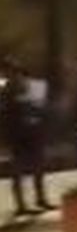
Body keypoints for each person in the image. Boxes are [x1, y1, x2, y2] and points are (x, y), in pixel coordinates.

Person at [0, 69, 54, 215]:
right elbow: (5, 119)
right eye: (17, 77)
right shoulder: (8, 95)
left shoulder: (34, 93)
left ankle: (40, 199)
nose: (20, 80)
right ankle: (21, 205)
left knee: (38, 170)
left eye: (22, 78)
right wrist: (6, 140)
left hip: (33, 137)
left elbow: (42, 113)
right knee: (18, 173)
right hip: (18, 139)